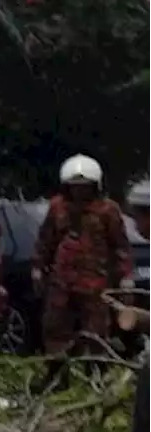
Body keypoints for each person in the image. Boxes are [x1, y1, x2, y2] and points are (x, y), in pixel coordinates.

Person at [31, 154, 132, 392]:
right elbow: (45, 241)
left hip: (95, 284)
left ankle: (96, 380)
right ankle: (57, 379)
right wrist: (37, 268)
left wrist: (125, 277)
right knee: (56, 330)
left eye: (84, 187)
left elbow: (121, 247)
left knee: (96, 334)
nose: (79, 192)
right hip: (62, 283)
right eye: (75, 187)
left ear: (94, 186)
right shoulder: (57, 207)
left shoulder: (108, 211)